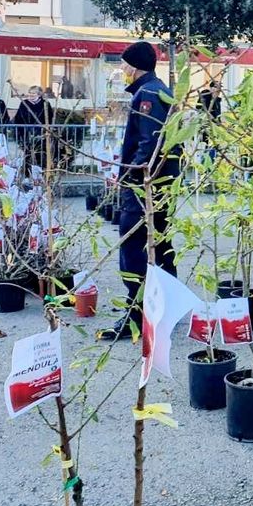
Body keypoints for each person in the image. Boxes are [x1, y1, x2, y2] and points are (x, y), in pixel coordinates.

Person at [98, 41, 180, 341]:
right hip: (159, 186)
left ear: (133, 67)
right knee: (159, 245)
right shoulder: (156, 90)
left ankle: (136, 315)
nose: (121, 71)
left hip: (145, 188)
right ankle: (166, 307)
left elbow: (149, 144)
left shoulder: (147, 95)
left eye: (123, 65)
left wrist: (132, 178)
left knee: (133, 249)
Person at [14, 85, 53, 173]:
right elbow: (18, 118)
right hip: (26, 133)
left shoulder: (45, 104)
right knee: (28, 154)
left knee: (40, 153)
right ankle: (27, 174)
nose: (31, 95)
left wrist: (45, 130)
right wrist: (20, 132)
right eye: (30, 93)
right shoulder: (24, 103)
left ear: (39, 94)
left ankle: (40, 174)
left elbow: (49, 118)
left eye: (33, 93)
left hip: (41, 134)